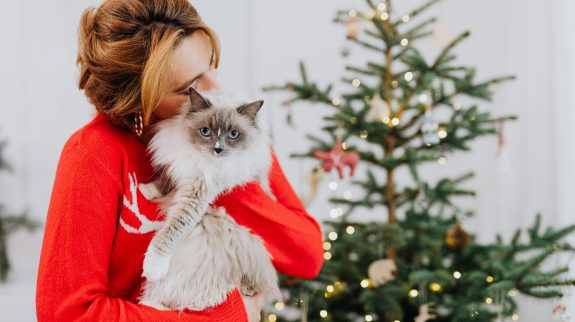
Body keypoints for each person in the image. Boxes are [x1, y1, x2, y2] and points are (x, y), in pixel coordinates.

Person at [35, 1, 324, 321]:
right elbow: (68, 313)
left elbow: (306, 257)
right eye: (191, 87)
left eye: (211, 64)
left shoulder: (233, 133)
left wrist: (224, 175)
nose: (216, 90)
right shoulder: (91, 155)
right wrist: (225, 317)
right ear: (139, 99)